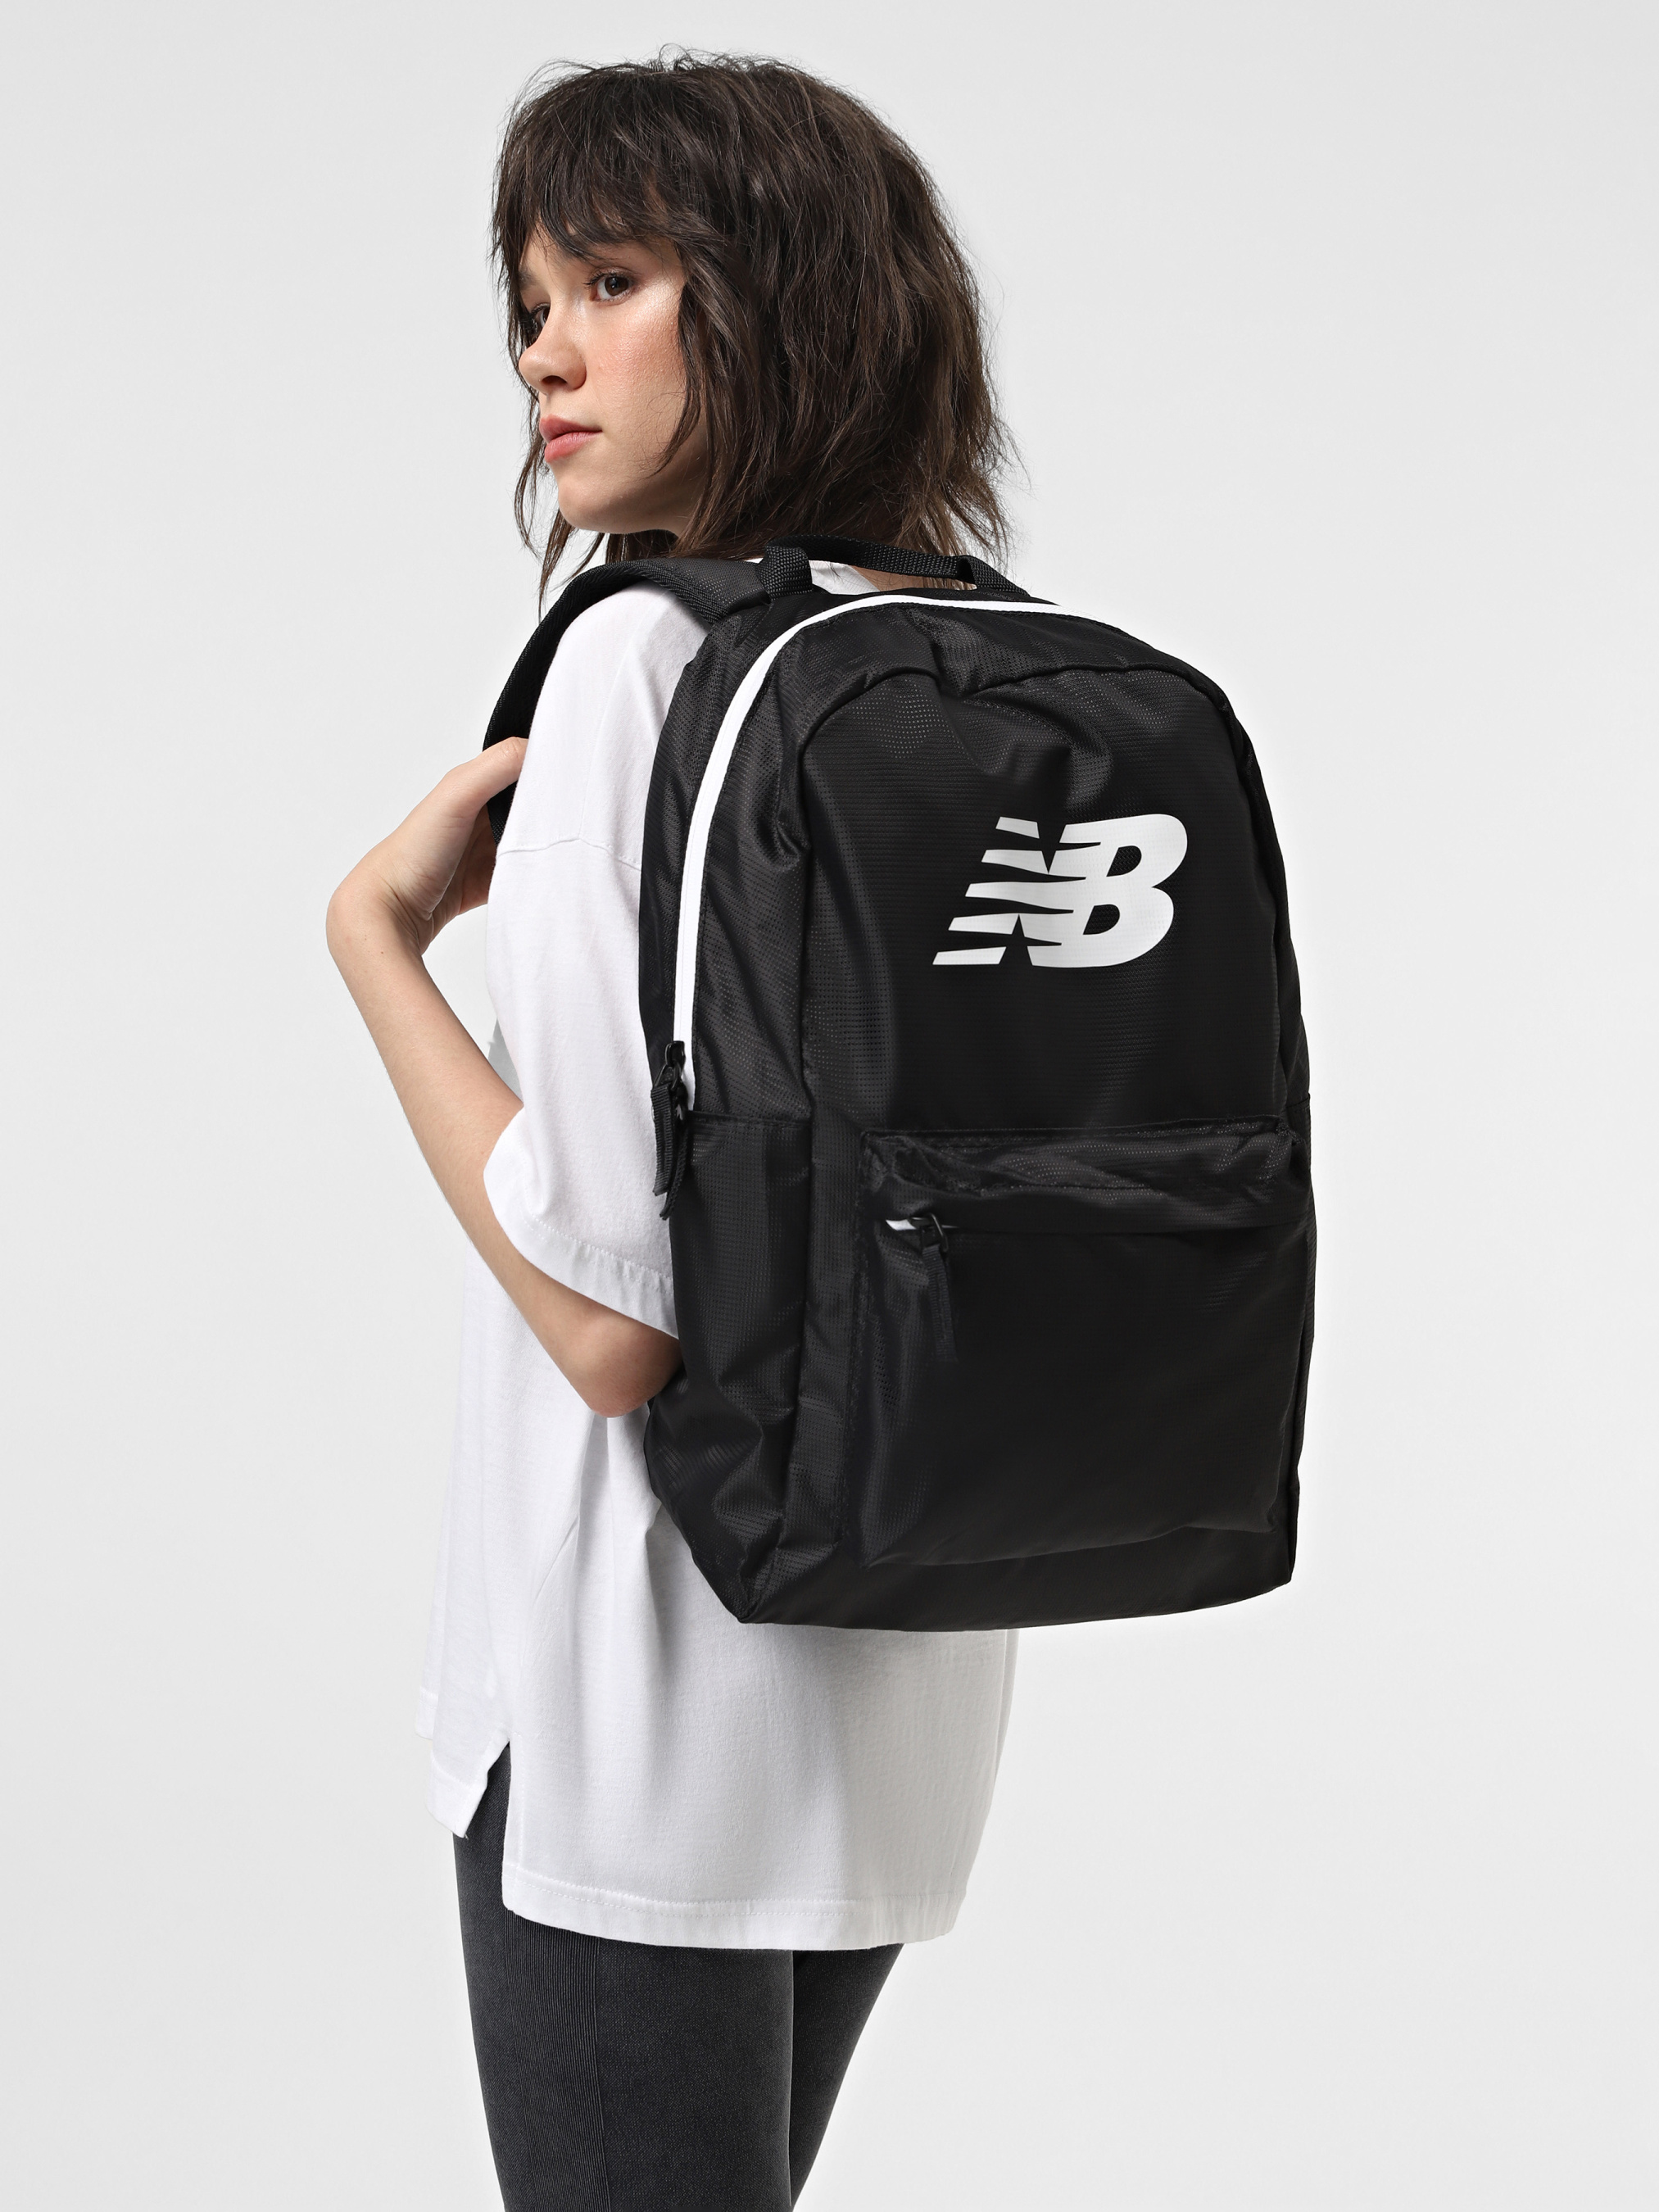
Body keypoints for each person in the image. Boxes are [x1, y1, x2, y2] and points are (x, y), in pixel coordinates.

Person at [328, 56, 1019, 2210]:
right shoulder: (960, 655)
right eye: (531, 295)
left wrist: (371, 946)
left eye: (611, 280)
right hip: (899, 1677)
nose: (545, 348)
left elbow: (612, 1320)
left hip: (635, 1695)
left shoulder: (635, 660)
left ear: (780, 297)